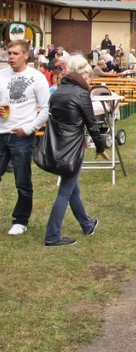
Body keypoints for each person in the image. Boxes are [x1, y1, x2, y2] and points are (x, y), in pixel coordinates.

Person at [43, 55, 106, 246]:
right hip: (72, 147)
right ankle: (52, 235)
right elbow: (91, 123)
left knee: (72, 188)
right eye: (89, 77)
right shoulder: (81, 93)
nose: (90, 81)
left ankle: (87, 224)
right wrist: (100, 147)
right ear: (83, 75)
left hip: (58, 145)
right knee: (65, 191)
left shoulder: (58, 91)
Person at [0, 40, 51, 235]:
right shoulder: (2, 75)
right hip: (1, 133)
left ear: (25, 55)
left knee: (22, 180)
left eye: (15, 53)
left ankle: (20, 220)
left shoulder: (36, 77)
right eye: (9, 53)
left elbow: (46, 109)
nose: (10, 57)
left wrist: (29, 129)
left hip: (21, 136)